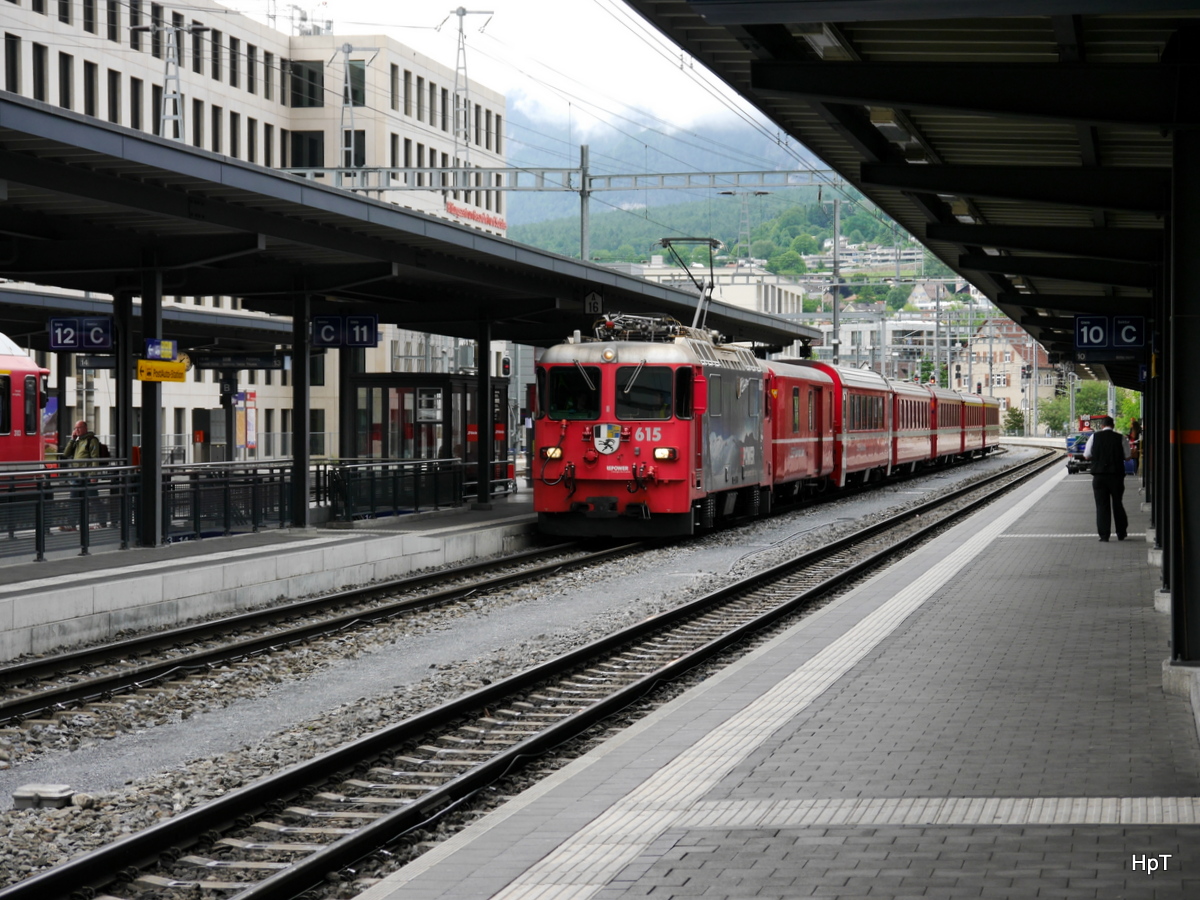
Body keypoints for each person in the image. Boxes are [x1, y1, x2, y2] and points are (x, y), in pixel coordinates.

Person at [1083, 415, 1132, 542]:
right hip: (1116, 475)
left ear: (1102, 426)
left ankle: (1104, 535)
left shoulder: (1094, 437)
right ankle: (1121, 533)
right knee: (1117, 503)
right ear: (1113, 426)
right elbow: (1128, 456)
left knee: (1101, 505)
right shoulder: (1121, 438)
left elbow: (1086, 455)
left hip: (1099, 476)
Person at [60, 420, 101, 532]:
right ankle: (72, 524)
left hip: (87, 476)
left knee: (94, 500)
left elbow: (95, 458)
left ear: (85, 428)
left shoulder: (91, 440)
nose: (76, 430)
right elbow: (66, 454)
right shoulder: (77, 441)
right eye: (75, 428)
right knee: (73, 500)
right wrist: (72, 440)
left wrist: (93, 475)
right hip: (76, 476)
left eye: (79, 428)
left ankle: (102, 522)